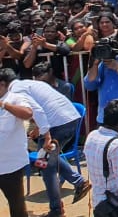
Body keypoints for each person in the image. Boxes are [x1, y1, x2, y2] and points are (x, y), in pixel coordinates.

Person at [11, 69, 92, 215]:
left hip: (58, 124)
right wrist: (40, 130)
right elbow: (44, 107)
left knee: (46, 165)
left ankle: (57, 209)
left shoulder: (15, 91)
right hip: (65, 120)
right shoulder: (28, 84)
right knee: (48, 161)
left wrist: (46, 136)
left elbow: (37, 110)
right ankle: (78, 184)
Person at [0, 68, 39, 217]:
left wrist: (4, 105)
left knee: (17, 208)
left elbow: (28, 113)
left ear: (2, 84)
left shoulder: (15, 98)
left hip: (11, 166)